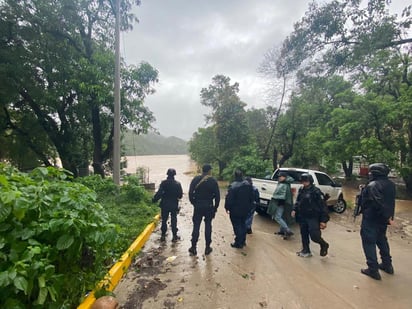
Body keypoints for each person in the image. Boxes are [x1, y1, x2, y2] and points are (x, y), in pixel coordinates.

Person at [359, 163, 396, 280]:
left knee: (369, 242)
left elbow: (378, 203)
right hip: (383, 220)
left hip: (372, 219)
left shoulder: (373, 185)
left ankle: (373, 269)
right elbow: (390, 203)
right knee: (382, 240)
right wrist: (389, 217)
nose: (369, 174)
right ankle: (387, 264)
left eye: (370, 172)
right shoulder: (391, 184)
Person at [291, 173, 329, 257]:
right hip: (302, 215)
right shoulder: (301, 190)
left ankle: (324, 244)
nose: (304, 183)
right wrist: (294, 209)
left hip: (313, 217)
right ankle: (306, 250)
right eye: (303, 181)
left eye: (306, 181)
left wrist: (323, 220)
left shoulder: (316, 191)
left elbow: (323, 206)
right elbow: (298, 201)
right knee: (304, 234)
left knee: (314, 236)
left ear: (310, 181)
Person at [188, 164, 220, 256]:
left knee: (196, 225)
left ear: (202, 170)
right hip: (209, 206)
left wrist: (194, 203)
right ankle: (207, 248)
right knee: (208, 225)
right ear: (209, 171)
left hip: (198, 206)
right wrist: (215, 208)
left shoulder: (195, 179)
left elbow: (190, 193)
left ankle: (193, 247)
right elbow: (217, 197)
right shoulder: (213, 181)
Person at [225, 169, 255, 249]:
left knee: (237, 225)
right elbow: (252, 197)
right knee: (243, 224)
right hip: (246, 209)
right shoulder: (248, 185)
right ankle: (243, 241)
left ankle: (238, 243)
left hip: (235, 210)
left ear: (235, 176)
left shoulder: (233, 186)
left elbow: (229, 198)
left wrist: (227, 207)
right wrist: (250, 207)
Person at [152, 168, 183, 242]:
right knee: (174, 220)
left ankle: (163, 236)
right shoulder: (177, 184)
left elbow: (159, 193)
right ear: (174, 175)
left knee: (164, 220)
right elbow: (180, 196)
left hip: (165, 204)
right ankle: (174, 236)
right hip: (174, 204)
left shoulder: (163, 183)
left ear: (167, 174)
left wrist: (154, 200)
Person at [267, 171, 294, 239]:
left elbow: (282, 196)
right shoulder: (283, 183)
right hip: (282, 203)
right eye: (279, 176)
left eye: (280, 176)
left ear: (284, 177)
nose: (279, 177)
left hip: (282, 203)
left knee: (277, 217)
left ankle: (287, 230)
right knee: (282, 217)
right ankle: (282, 231)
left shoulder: (285, 184)